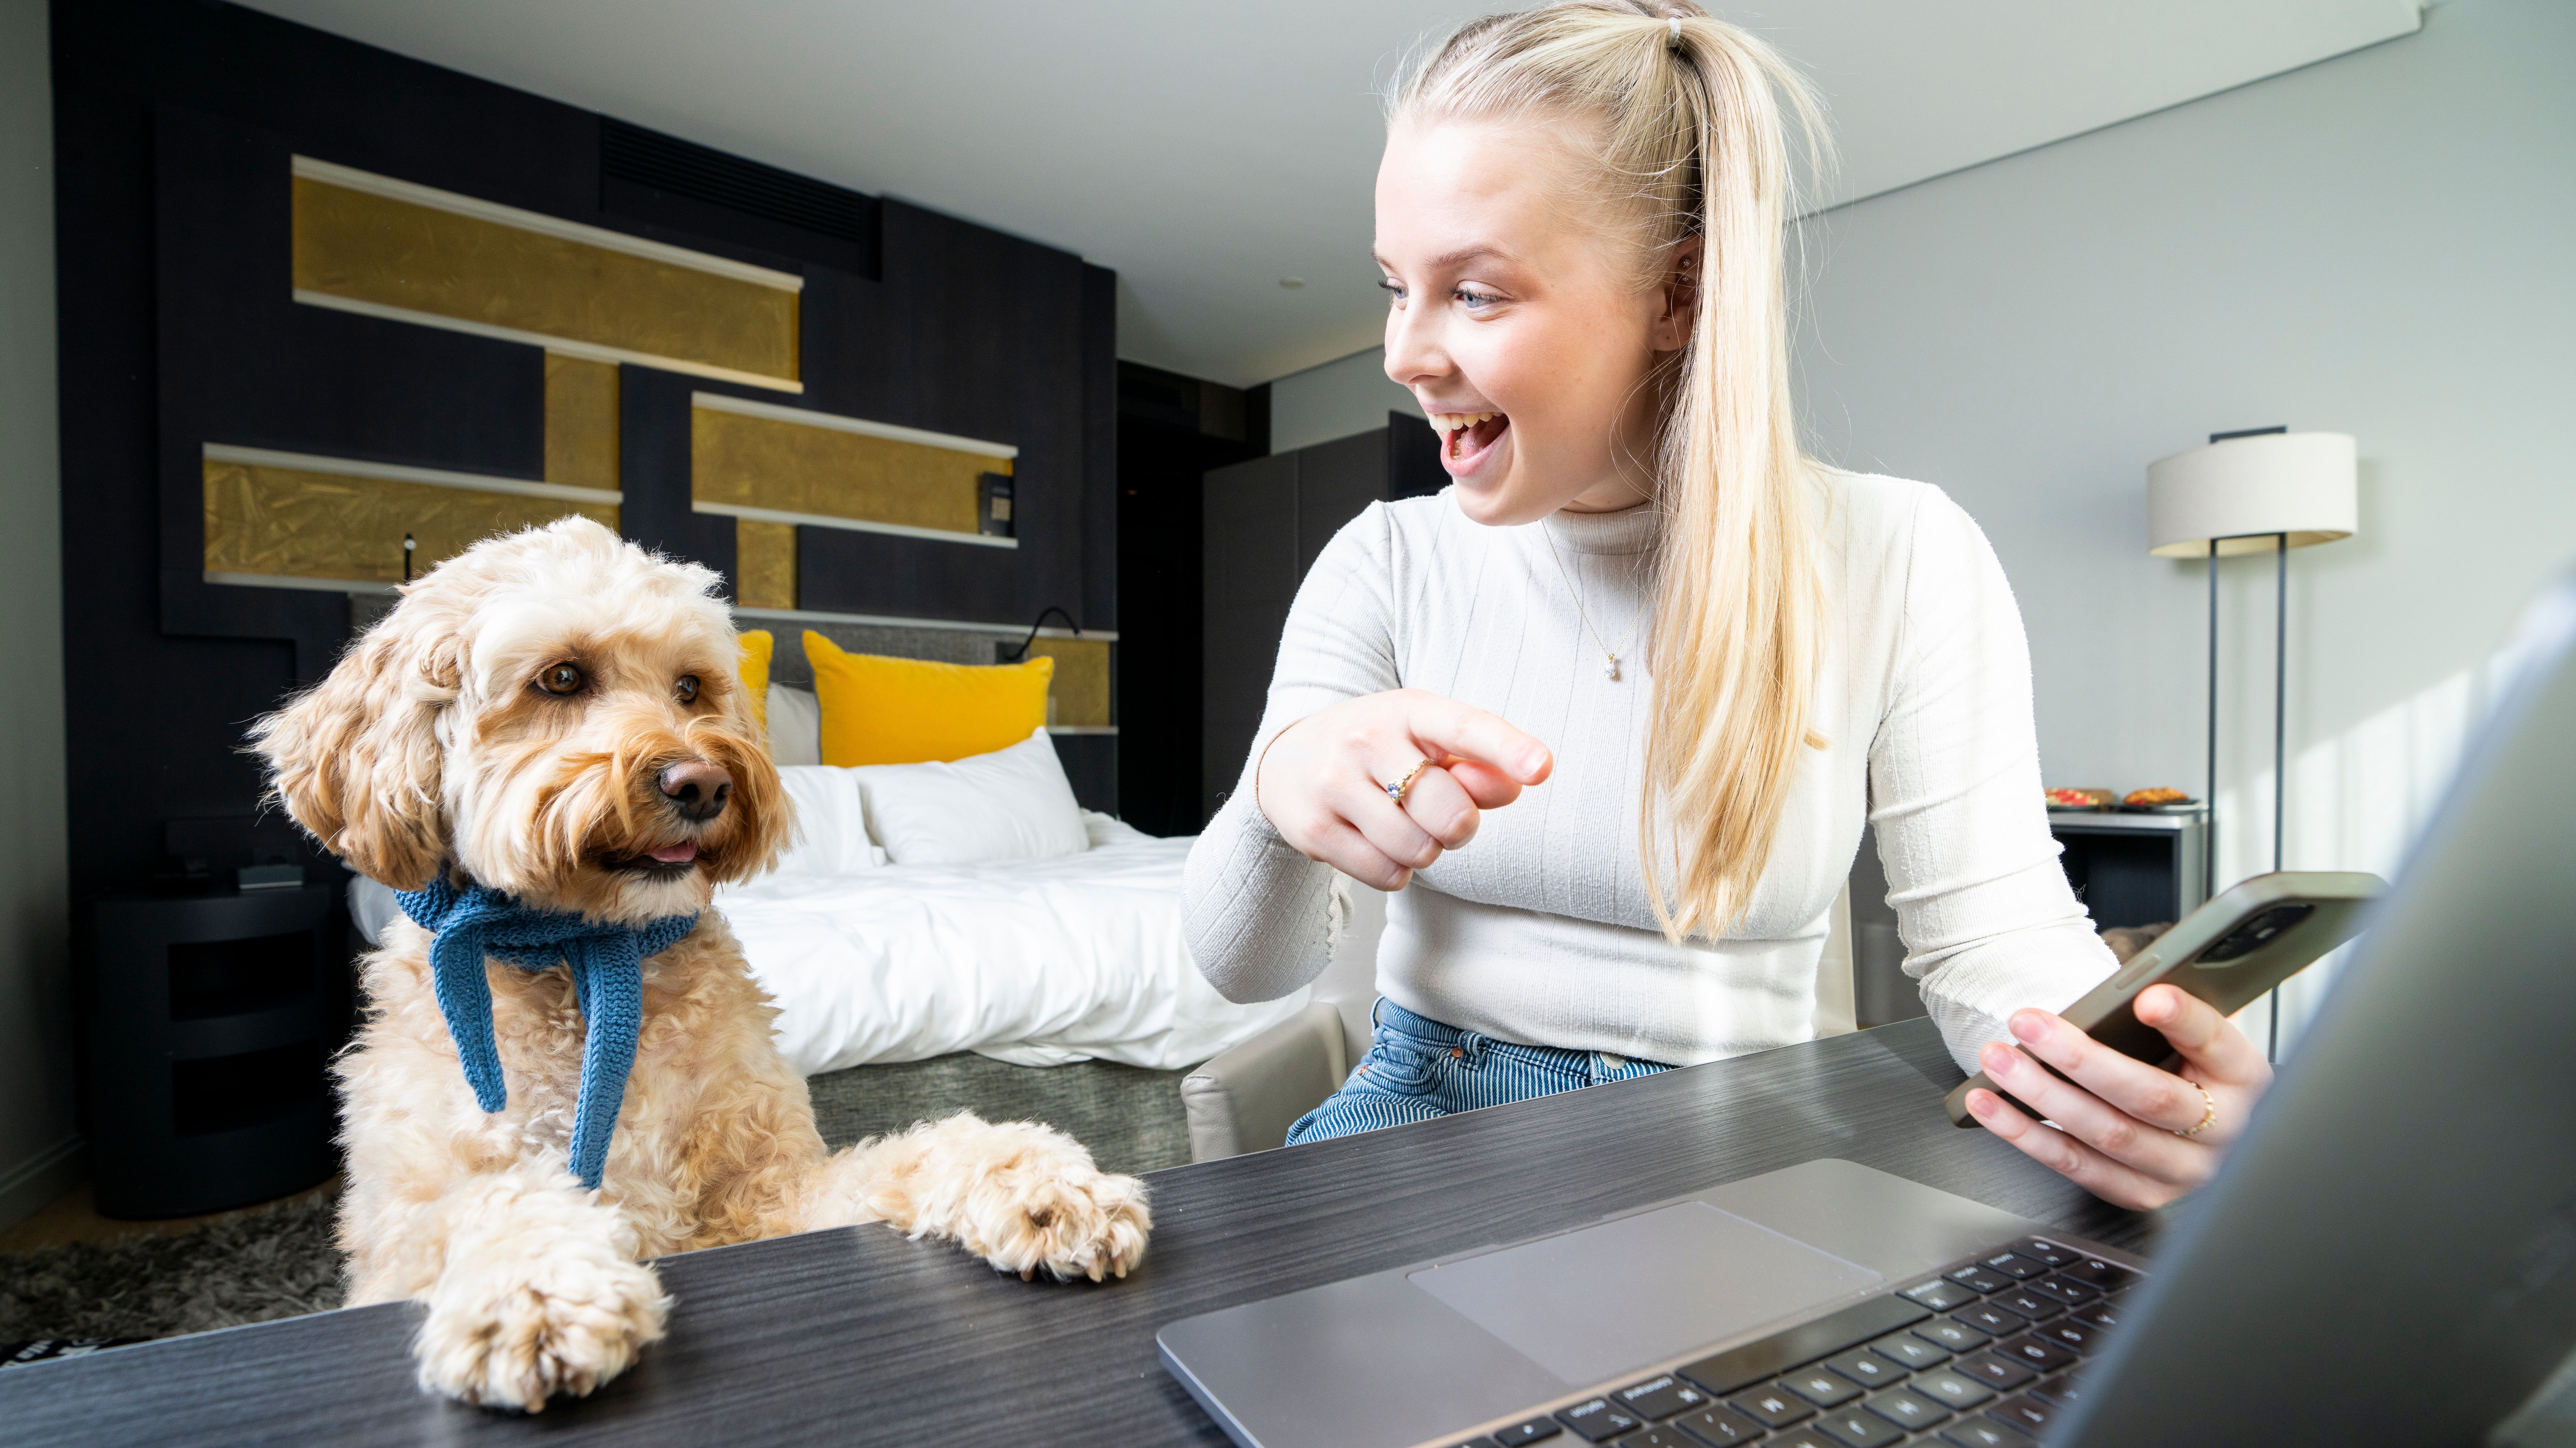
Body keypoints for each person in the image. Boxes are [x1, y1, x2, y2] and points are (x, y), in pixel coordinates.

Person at [1180, 0, 2270, 1211]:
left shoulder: (1903, 554)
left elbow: (1991, 942)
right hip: (1425, 1116)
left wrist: (2132, 1083)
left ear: (1677, 297)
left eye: (1475, 295)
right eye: (1395, 286)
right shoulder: (1384, 562)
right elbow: (1245, 966)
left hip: (1748, 1149)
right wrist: (1282, 788)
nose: (1403, 353)